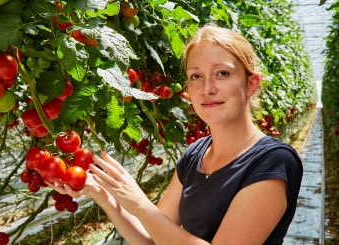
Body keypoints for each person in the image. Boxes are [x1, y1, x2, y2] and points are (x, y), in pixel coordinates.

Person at [46, 24, 303, 245]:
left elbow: (150, 218)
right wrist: (101, 195)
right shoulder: (195, 154)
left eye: (222, 73)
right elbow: (152, 239)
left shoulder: (274, 162)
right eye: (196, 76)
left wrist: (140, 204)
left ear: (251, 84)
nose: (207, 88)